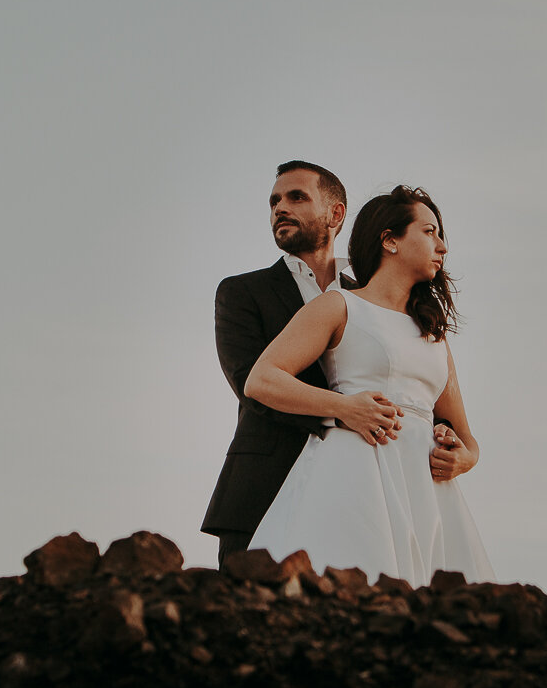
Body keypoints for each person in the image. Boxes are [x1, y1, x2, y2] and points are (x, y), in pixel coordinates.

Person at [245, 185, 493, 585]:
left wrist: (463, 458)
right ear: (390, 240)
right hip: (353, 473)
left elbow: (468, 438)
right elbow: (262, 379)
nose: (442, 246)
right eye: (429, 232)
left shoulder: (433, 334)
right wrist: (343, 407)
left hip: (428, 491)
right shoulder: (339, 305)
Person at [201, 161, 367, 568]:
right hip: (263, 487)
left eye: (296, 197)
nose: (280, 207)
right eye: (274, 200)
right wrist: (344, 412)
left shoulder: (369, 296)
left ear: (336, 214)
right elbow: (249, 382)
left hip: (358, 491)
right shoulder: (242, 292)